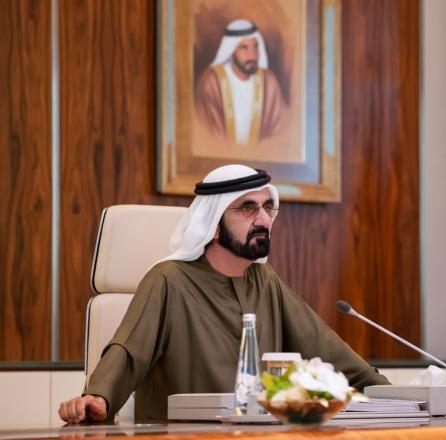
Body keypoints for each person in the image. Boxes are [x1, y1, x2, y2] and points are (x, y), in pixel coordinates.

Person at [58, 164, 390, 423]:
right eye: (248, 208)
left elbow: (326, 349)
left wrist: (393, 395)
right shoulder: (168, 280)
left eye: (267, 207)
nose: (263, 219)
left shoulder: (265, 281)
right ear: (214, 224)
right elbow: (128, 351)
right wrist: (98, 397)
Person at [195, 19, 284, 145]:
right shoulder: (211, 82)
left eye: (255, 47)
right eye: (244, 48)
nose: (252, 55)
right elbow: (205, 132)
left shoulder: (269, 81)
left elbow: (279, 129)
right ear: (231, 52)